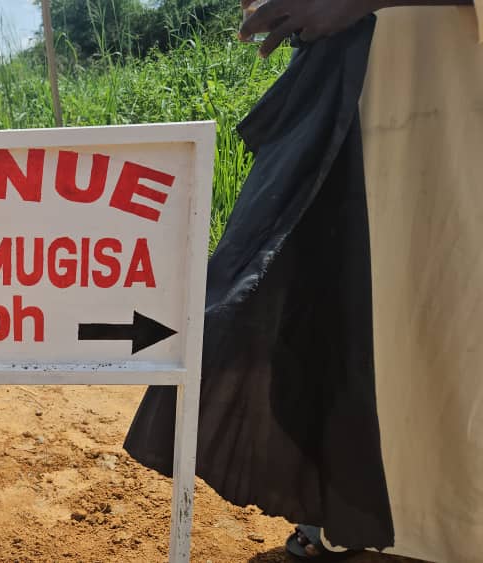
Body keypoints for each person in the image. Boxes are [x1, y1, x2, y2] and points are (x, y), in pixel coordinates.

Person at [126, 0, 481, 560]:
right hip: (343, 90)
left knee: (442, 308)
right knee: (332, 300)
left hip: (446, 88)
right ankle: (340, 511)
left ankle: (437, 520)